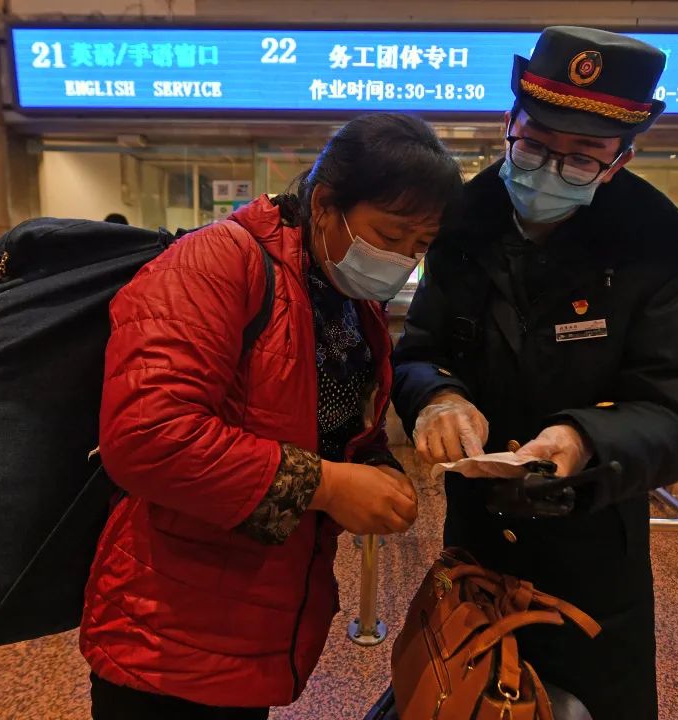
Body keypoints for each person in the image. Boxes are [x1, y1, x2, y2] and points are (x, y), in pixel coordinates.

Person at [82, 113, 463, 719]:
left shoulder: (343, 295)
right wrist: (329, 486)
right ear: (326, 204)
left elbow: (326, 424)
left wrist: (374, 467)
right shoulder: (215, 261)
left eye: (419, 246)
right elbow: (147, 436)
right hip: (170, 624)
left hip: (257, 617)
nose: (400, 259)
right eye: (390, 235)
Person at [392, 27, 678, 720]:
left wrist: (583, 439)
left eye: (581, 159)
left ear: (619, 161)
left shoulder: (652, 246)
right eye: (535, 145)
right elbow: (419, 351)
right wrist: (438, 396)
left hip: (592, 559)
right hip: (477, 545)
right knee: (465, 699)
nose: (548, 170)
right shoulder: (463, 223)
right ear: (508, 124)